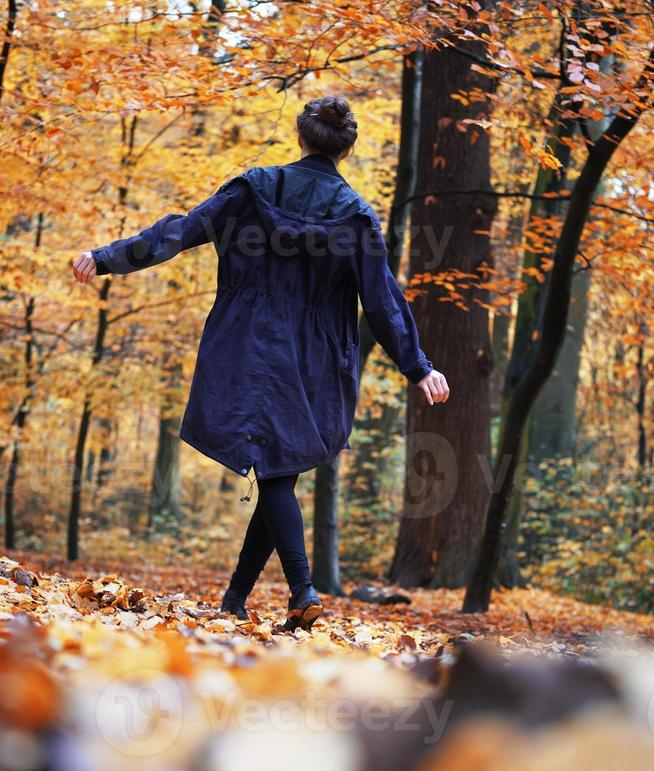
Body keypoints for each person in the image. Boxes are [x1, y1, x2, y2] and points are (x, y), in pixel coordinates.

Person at [72, 95, 450, 632]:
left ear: (301, 136)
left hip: (247, 345)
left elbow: (180, 232)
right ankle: (300, 589)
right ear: (347, 149)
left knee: (278, 473)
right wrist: (418, 366)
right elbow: (382, 300)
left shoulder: (252, 190)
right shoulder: (356, 217)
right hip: (314, 358)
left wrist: (107, 256)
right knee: (279, 470)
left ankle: (241, 598)